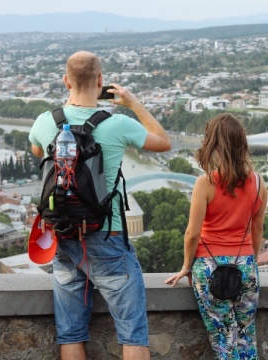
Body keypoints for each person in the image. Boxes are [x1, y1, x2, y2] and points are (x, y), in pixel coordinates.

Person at [29, 51, 170, 360]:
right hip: (107, 236)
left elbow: (37, 150)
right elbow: (163, 141)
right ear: (101, 81)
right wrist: (132, 102)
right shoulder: (117, 124)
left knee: (71, 335)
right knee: (133, 335)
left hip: (64, 238)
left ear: (65, 81)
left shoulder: (45, 121)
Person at [164, 113, 268, 359]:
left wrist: (186, 266)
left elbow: (192, 234)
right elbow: (258, 229)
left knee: (223, 338)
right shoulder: (259, 183)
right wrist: (249, 259)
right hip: (246, 265)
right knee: (246, 336)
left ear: (212, 145)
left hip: (209, 267)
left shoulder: (206, 183)